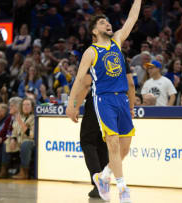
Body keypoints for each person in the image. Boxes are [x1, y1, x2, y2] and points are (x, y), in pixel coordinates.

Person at [66, 1, 141, 202]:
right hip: (104, 100)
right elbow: (79, 80)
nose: (107, 24)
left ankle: (103, 176)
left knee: (125, 147)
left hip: (122, 100)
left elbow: (132, 18)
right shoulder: (91, 52)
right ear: (93, 31)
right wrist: (71, 104)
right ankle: (123, 189)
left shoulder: (117, 40)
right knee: (113, 143)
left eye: (107, 21)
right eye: (101, 22)